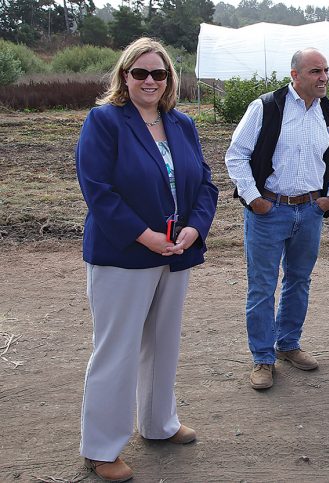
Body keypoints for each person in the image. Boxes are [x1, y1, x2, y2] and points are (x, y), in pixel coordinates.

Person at [75, 37, 218, 481]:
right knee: (116, 351)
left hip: (175, 254)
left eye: (159, 73)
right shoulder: (105, 121)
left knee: (163, 344)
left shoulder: (182, 125)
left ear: (170, 79)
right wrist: (146, 236)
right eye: (140, 73)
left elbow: (206, 184)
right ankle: (101, 448)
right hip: (123, 254)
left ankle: (159, 424)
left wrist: (195, 227)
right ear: (124, 77)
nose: (150, 80)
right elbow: (98, 190)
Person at [225, 48, 329, 390]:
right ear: (295, 75)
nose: (323, 78)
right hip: (270, 211)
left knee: (298, 280)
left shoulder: (327, 111)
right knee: (262, 287)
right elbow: (236, 155)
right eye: (314, 72)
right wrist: (255, 200)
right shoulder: (267, 107)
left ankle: (288, 344)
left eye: (325, 71)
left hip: (310, 211)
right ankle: (263, 358)